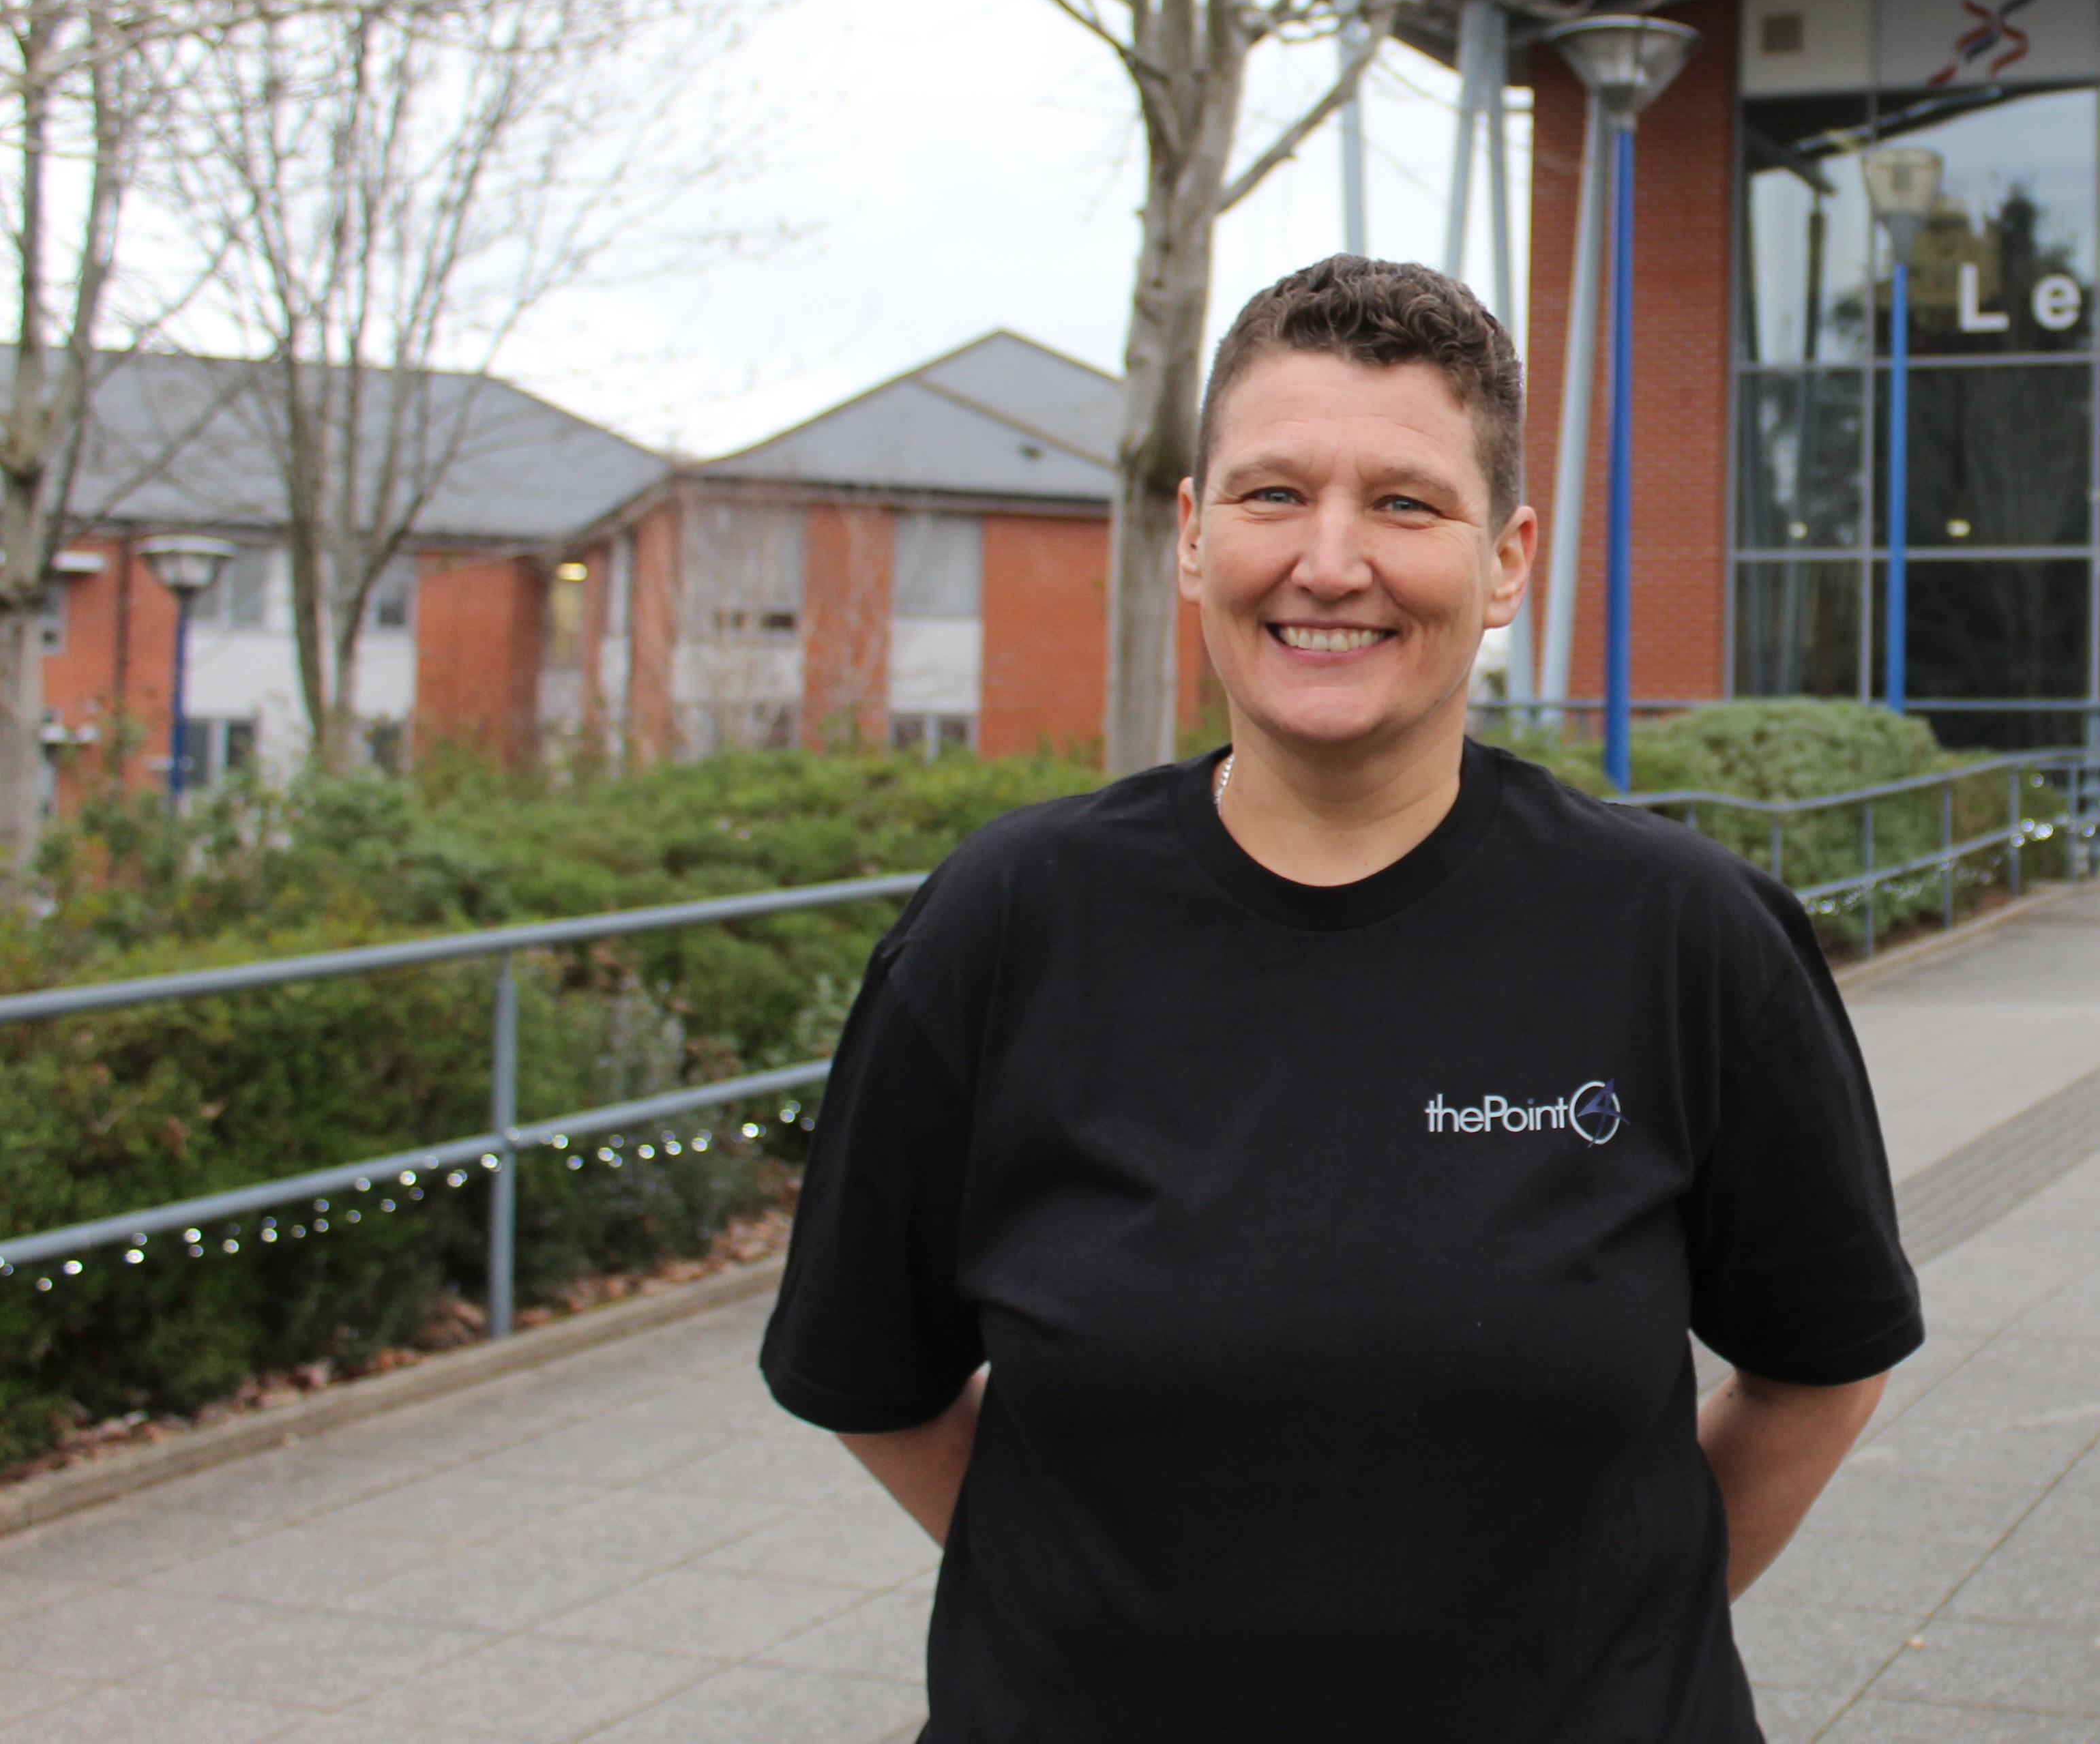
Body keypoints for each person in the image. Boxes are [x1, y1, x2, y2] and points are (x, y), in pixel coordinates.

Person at [760, 256, 1920, 1742]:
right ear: (1190, 537)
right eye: (1270, 495)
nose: (1328, 560)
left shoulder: (1686, 937)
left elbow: (1818, 1374)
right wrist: (1096, 1625)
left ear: (1507, 561)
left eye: (1405, 503)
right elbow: (873, 1374)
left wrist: (1608, 1646)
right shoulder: (1007, 925)